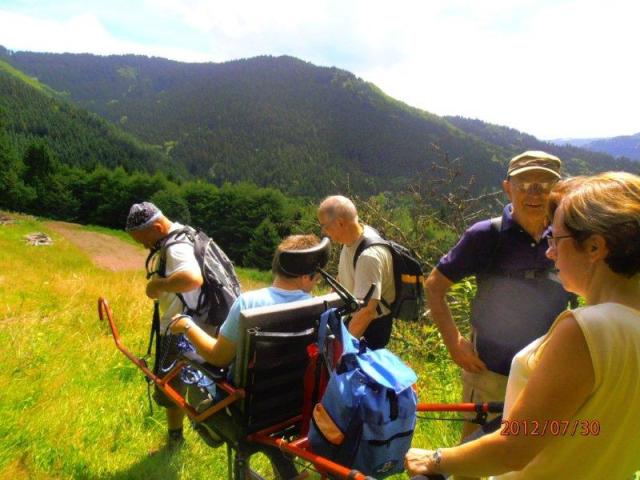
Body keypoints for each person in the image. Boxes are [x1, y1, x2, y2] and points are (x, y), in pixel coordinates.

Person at [406, 171, 640, 479]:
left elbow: (514, 449)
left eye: (556, 239)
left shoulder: (585, 330)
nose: (549, 251)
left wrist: (434, 460)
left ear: (595, 248)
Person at [423, 151, 575, 459]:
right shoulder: (485, 236)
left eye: (545, 184)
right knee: (472, 456)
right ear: (507, 187)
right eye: (525, 183)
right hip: (491, 373)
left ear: (558, 191)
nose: (535, 193)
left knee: (537, 458)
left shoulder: (567, 235)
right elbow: (434, 285)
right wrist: (454, 342)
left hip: (547, 373)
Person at [169, 234, 325, 368]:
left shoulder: (248, 303)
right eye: (316, 280)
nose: (315, 285)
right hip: (294, 396)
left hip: (246, 398)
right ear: (305, 276)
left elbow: (219, 358)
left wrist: (186, 325)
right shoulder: (319, 308)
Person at [125, 201, 206, 450]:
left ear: (158, 227)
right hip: (199, 322)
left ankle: (176, 439)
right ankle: (187, 433)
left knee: (169, 386)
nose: (145, 246)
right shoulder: (187, 233)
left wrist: (157, 285)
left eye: (145, 240)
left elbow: (192, 278)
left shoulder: (176, 246)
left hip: (179, 327)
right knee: (184, 382)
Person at [317, 195, 395, 349]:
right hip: (358, 319)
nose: (324, 232)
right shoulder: (354, 237)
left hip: (370, 328)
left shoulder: (368, 257)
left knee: (349, 371)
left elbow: (367, 311)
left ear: (340, 223)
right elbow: (346, 274)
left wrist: (342, 349)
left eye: (325, 226)